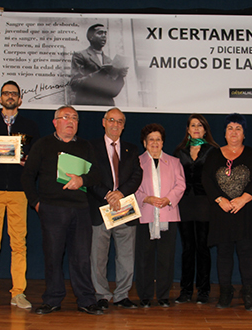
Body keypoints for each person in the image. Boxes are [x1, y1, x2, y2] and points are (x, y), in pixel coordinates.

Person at [21, 105, 102, 315]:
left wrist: (82, 179)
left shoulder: (86, 146)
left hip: (80, 210)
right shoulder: (42, 144)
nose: (70, 121)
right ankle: (52, 299)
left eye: (75, 118)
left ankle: (86, 299)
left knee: (82, 257)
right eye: (65, 117)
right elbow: (28, 175)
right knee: (53, 256)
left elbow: (97, 175)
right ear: (55, 122)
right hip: (52, 208)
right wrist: (36, 202)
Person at [0, 81, 40, 310]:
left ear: (20, 99)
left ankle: (18, 293)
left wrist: (28, 162)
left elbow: (36, 160)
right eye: (6, 94)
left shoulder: (30, 126)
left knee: (19, 244)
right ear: (0, 98)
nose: (10, 97)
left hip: (18, 191)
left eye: (14, 94)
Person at [202, 113, 252, 311]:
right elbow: (206, 180)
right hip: (222, 212)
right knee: (224, 253)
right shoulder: (213, 154)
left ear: (244, 134)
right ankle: (225, 292)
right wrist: (221, 200)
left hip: (246, 212)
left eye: (238, 128)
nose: (234, 132)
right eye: (230, 128)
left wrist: (243, 199)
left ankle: (248, 293)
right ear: (225, 132)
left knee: (247, 253)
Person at [87, 108, 143, 310]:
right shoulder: (91, 146)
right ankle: (101, 294)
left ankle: (121, 295)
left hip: (124, 209)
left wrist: (120, 193)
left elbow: (137, 175)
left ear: (124, 125)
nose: (116, 125)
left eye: (120, 122)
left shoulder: (131, 148)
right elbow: (88, 176)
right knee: (98, 258)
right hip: (100, 210)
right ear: (104, 122)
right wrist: (107, 194)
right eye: (112, 120)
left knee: (126, 256)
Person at [134, 123, 186, 308]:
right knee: (144, 258)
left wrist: (168, 199)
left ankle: (163, 296)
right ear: (144, 142)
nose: (154, 143)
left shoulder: (174, 162)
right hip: (144, 215)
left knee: (166, 258)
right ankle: (145, 296)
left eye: (158, 139)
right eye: (150, 139)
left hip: (168, 215)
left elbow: (180, 185)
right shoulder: (137, 162)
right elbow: (132, 187)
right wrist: (146, 198)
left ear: (163, 142)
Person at [173, 114, 219, 304]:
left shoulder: (213, 151)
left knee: (203, 248)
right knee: (187, 248)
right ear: (188, 129)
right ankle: (185, 290)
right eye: (193, 125)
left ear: (205, 129)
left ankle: (203, 290)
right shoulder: (179, 152)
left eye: (200, 125)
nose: (196, 128)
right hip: (184, 204)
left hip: (204, 204)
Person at [69, 24, 128, 106]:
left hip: (106, 105)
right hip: (87, 104)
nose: (104, 36)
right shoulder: (80, 55)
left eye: (105, 33)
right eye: (100, 33)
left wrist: (120, 77)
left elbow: (113, 92)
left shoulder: (109, 61)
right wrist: (100, 73)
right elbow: (75, 84)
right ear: (91, 37)